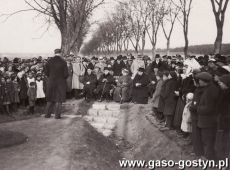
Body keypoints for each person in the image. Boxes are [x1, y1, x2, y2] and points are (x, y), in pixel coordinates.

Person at [196, 72, 220, 160]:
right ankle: (208, 156)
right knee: (207, 139)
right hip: (207, 120)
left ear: (204, 81)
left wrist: (198, 108)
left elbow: (209, 108)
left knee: (208, 139)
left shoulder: (211, 90)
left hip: (208, 121)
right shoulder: (209, 88)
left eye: (200, 80)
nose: (198, 81)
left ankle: (209, 158)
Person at [44, 49, 68, 119]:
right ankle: (57, 116)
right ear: (60, 53)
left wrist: (51, 77)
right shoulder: (63, 62)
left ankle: (47, 115)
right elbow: (66, 74)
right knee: (59, 99)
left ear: (54, 53)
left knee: (50, 99)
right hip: (60, 83)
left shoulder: (49, 61)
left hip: (51, 82)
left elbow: (46, 72)